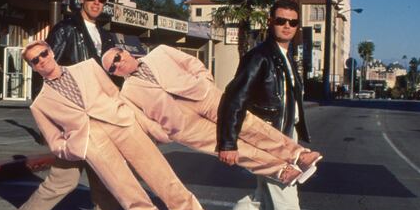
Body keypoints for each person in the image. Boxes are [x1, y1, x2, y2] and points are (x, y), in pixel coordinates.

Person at [23, 41, 229, 210]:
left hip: (124, 127)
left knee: (166, 182)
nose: (42, 61)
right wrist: (79, 148)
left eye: (43, 54)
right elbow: (55, 142)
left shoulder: (88, 67)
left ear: (52, 51)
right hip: (94, 145)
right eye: (34, 60)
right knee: (134, 201)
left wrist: (143, 124)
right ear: (32, 67)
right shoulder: (40, 104)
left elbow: (116, 96)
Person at [3, 0, 136, 210]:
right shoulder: (66, 30)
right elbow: (46, 72)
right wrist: (52, 122)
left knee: (105, 184)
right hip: (74, 121)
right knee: (63, 181)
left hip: (102, 120)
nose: (97, 3)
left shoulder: (108, 35)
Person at [216, 0, 323, 210]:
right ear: (270, 23)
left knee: (259, 204)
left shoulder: (286, 57)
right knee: (287, 205)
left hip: (285, 140)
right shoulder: (259, 56)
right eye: (281, 20)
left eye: (292, 22)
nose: (287, 26)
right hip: (269, 142)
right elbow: (233, 98)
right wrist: (227, 142)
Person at [103, 45, 322, 186]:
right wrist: (168, 132)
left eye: (117, 57)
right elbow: (145, 123)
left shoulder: (160, 52)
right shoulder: (127, 93)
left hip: (204, 96)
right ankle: (281, 170)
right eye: (112, 68)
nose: (118, 64)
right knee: (234, 149)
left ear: (125, 51)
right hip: (185, 127)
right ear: (114, 74)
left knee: (247, 125)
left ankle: (297, 154)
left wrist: (205, 80)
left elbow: (191, 62)